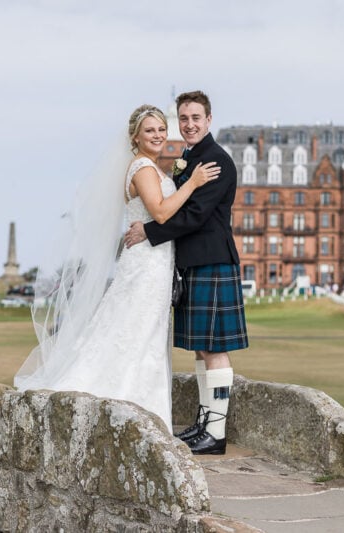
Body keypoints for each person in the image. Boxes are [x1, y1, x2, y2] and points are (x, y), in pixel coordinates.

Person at [14, 104, 219, 431]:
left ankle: (145, 412)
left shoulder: (151, 167)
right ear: (135, 136)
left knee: (144, 333)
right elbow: (162, 213)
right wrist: (192, 183)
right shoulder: (142, 168)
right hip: (147, 264)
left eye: (161, 129)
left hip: (156, 262)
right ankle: (129, 407)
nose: (158, 135)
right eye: (150, 130)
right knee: (134, 331)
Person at [123, 90, 249, 455]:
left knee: (215, 349)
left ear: (209, 120)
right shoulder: (190, 158)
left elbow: (194, 215)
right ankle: (204, 423)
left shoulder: (216, 162)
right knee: (200, 349)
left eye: (196, 118)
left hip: (212, 261)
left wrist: (150, 231)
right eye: (184, 118)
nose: (189, 124)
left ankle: (216, 432)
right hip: (192, 263)